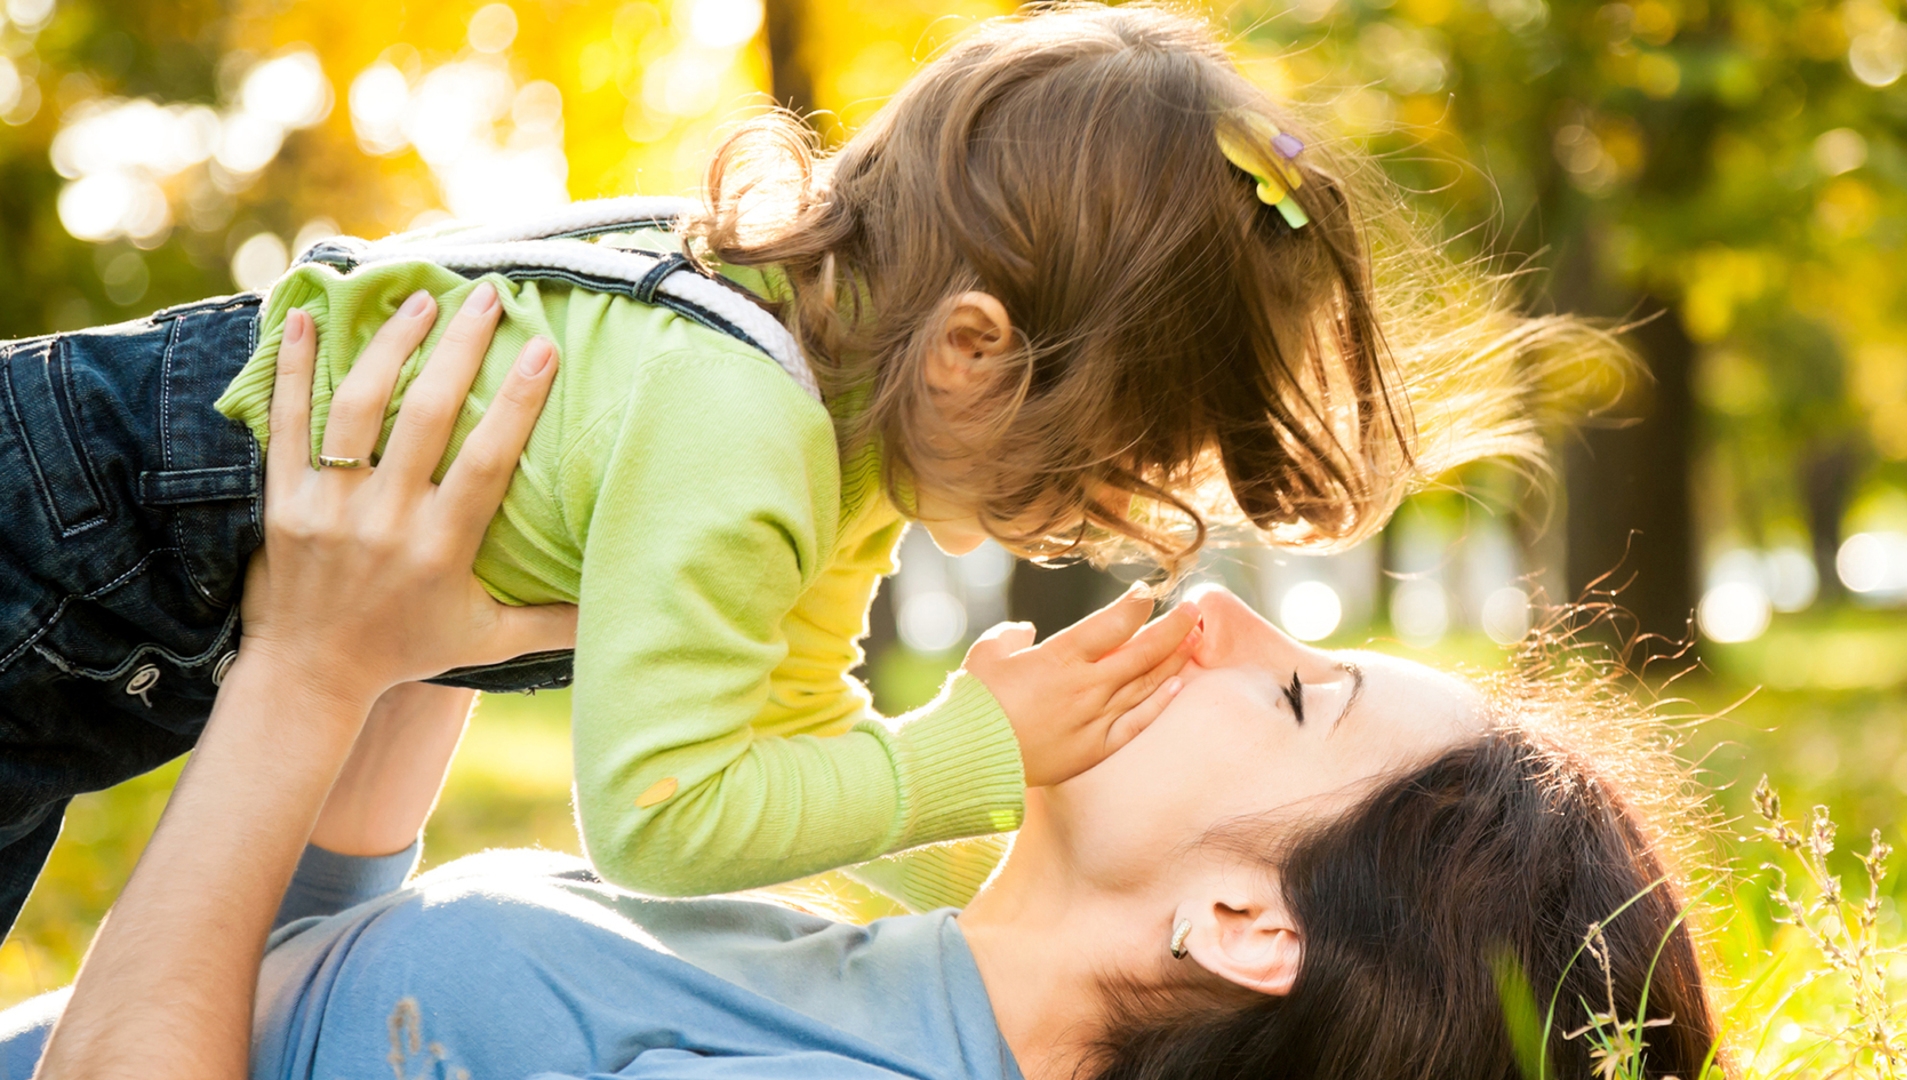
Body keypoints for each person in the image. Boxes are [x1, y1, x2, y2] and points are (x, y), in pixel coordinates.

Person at [0, 2, 1609, 937]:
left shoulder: (838, 417)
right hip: (44, 550)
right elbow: (658, 814)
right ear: (976, 348)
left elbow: (792, 723)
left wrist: (986, 886)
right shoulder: (741, 426)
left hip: (102, 617)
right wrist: (971, 755)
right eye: (1105, 464)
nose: (1101, 525)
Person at [0, 305, 1719, 1080]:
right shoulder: (822, 966)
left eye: (1295, 702)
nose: (1213, 620)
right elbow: (327, 1009)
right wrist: (460, 603)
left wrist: (303, 669)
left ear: (1243, 924)